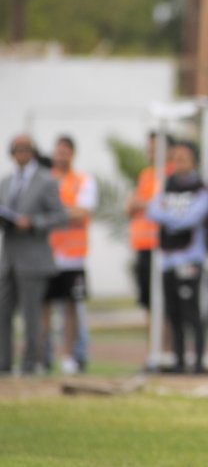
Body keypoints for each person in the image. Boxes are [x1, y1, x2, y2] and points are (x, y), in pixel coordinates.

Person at [0, 134, 68, 375]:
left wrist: (34, 223)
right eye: (17, 149)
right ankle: (4, 364)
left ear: (33, 152)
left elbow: (61, 216)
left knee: (32, 316)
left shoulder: (46, 181)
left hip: (34, 258)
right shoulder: (6, 182)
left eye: (25, 149)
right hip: (8, 258)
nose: (21, 153)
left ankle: (31, 364)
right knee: (3, 313)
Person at [147, 140, 208, 374]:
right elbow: (152, 210)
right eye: (175, 158)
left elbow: (192, 218)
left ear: (194, 161)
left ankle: (199, 362)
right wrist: (176, 216)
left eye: (184, 158)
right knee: (173, 313)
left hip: (190, 259)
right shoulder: (167, 186)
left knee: (192, 312)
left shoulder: (201, 189)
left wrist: (170, 216)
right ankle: (179, 362)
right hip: (168, 259)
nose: (179, 163)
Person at [42, 136, 98, 374]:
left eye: (66, 151)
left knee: (72, 308)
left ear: (72, 154)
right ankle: (42, 357)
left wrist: (54, 214)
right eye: (58, 151)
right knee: (44, 306)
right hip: (47, 254)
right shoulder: (46, 179)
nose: (61, 156)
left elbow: (82, 213)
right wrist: (65, 212)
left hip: (73, 256)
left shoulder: (83, 180)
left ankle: (70, 356)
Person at [125, 132, 174, 338]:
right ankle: (152, 354)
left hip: (164, 247)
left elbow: (163, 206)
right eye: (150, 148)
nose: (152, 152)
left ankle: (170, 352)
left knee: (168, 303)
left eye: (156, 148)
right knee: (149, 303)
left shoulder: (173, 175)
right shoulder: (146, 175)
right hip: (144, 245)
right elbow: (130, 206)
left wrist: (145, 204)